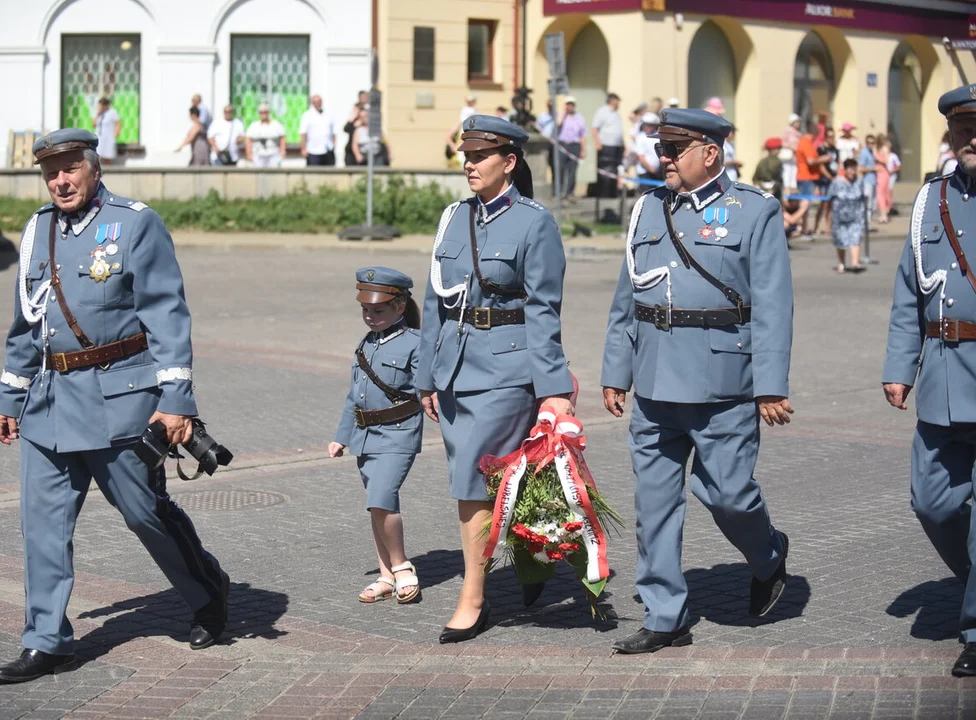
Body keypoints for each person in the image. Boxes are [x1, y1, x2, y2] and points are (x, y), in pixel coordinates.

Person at [0, 129, 230, 684]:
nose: (61, 180)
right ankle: (47, 640)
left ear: (95, 168)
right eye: (51, 172)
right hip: (49, 406)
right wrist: (11, 393)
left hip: (119, 399)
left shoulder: (134, 223)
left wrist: (176, 402)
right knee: (42, 527)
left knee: (144, 513)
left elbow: (167, 317)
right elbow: (28, 322)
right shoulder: (38, 231)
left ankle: (205, 589)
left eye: (71, 168)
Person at [602, 108, 794, 654]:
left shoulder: (754, 211)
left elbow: (774, 305)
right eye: (660, 148)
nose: (662, 158)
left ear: (710, 152)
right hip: (656, 378)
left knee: (729, 494)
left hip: (723, 381)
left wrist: (770, 384)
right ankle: (665, 613)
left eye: (674, 149)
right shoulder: (647, 210)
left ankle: (768, 555)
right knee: (655, 503)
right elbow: (628, 298)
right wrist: (616, 371)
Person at [415, 115, 574, 643]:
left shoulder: (534, 223)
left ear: (508, 162)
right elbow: (435, 301)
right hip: (457, 368)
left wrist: (553, 390)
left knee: (473, 481)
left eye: (481, 156)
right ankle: (535, 555)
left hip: (509, 370)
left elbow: (545, 310)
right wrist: (426, 374)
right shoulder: (452, 218)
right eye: (465, 155)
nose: (469, 164)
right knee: (508, 476)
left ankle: (474, 594)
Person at [882, 84, 976, 679]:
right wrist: (899, 367)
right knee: (932, 501)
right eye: (964, 130)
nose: (973, 140)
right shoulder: (928, 202)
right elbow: (908, 293)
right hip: (945, 374)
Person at [330, 267, 424, 605]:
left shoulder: (416, 343)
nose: (370, 317)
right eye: (366, 310)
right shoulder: (366, 344)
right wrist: (342, 436)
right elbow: (353, 396)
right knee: (377, 507)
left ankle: (401, 567)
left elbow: (430, 389)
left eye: (378, 310)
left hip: (399, 434)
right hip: (365, 437)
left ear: (400, 307)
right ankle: (385, 576)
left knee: (382, 499)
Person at [827, 159, 864, 273]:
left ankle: (855, 263)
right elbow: (829, 200)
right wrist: (828, 217)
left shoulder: (859, 182)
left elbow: (863, 199)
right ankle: (841, 264)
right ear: (845, 169)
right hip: (840, 217)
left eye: (854, 169)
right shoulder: (837, 182)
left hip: (855, 217)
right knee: (841, 241)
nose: (852, 172)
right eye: (850, 169)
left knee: (855, 238)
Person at [592, 93, 625, 198]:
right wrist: (597, 142)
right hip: (606, 145)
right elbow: (594, 128)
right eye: (617, 100)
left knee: (615, 169)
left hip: (616, 146)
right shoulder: (602, 112)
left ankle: (612, 193)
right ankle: (603, 194)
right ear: (612, 100)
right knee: (605, 170)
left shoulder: (616, 114)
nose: (619, 103)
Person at [795, 123, 825, 236]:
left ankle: (804, 227)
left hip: (808, 177)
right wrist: (824, 159)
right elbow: (811, 161)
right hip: (805, 177)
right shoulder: (805, 143)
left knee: (806, 203)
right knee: (805, 204)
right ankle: (803, 228)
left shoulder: (808, 143)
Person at [556, 97, 587, 202]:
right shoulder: (561, 116)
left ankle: (569, 192)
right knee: (560, 168)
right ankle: (559, 192)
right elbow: (557, 125)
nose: (570, 107)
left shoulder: (579, 118)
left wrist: (583, 149)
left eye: (571, 104)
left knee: (572, 170)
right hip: (563, 144)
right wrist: (563, 114)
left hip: (575, 145)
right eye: (568, 104)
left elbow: (582, 135)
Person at [812, 126, 839, 234]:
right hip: (824, 179)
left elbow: (838, 162)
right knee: (823, 203)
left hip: (834, 178)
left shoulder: (835, 150)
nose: (831, 139)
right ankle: (816, 226)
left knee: (831, 204)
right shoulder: (821, 149)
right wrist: (829, 176)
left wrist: (836, 177)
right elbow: (821, 166)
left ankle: (829, 227)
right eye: (829, 137)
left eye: (833, 136)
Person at [300, 95, 336, 166]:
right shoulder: (307, 115)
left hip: (327, 149)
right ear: (312, 103)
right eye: (315, 102)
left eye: (319, 101)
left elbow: (334, 132)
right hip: (313, 150)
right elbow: (303, 133)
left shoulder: (328, 115)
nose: (318, 103)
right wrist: (303, 148)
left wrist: (334, 145)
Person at [633, 112, 662, 185]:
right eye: (646, 125)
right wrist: (652, 169)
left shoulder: (658, 136)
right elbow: (641, 157)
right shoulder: (641, 137)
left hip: (658, 172)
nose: (647, 127)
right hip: (645, 173)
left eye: (650, 125)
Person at [752, 137, 784, 201]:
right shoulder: (778, 161)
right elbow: (778, 179)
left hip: (762, 191)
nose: (779, 151)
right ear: (773, 149)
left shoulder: (762, 161)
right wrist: (773, 190)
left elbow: (755, 178)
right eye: (778, 148)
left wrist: (760, 187)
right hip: (774, 192)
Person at [343, 91, 370, 167]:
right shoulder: (354, 118)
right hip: (351, 151)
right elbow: (346, 129)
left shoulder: (369, 113)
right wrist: (353, 118)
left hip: (364, 150)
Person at [93, 97, 121, 166]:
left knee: (107, 156)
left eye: (102, 105)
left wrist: (115, 134)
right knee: (97, 155)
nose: (100, 107)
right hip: (100, 137)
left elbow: (118, 124)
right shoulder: (99, 114)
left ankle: (108, 170)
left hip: (108, 137)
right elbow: (93, 124)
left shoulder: (112, 112)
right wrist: (97, 114)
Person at [858, 133, 878, 225]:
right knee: (867, 203)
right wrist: (873, 168)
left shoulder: (871, 153)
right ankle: (865, 223)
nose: (871, 144)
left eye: (872, 143)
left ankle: (868, 222)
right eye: (869, 142)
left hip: (873, 181)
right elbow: (860, 168)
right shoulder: (864, 153)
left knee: (872, 203)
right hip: (867, 181)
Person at [874, 135, 893, 224]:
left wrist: (877, 158)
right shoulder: (877, 149)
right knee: (881, 194)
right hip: (878, 172)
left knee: (881, 193)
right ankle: (882, 214)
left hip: (883, 172)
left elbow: (886, 161)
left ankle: (884, 215)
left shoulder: (884, 148)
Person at [781, 114, 801, 191]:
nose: (798, 123)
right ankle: (787, 188)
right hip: (788, 155)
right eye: (797, 122)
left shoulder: (798, 132)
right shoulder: (788, 130)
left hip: (795, 156)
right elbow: (784, 142)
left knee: (794, 172)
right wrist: (791, 148)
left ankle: (793, 189)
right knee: (787, 172)